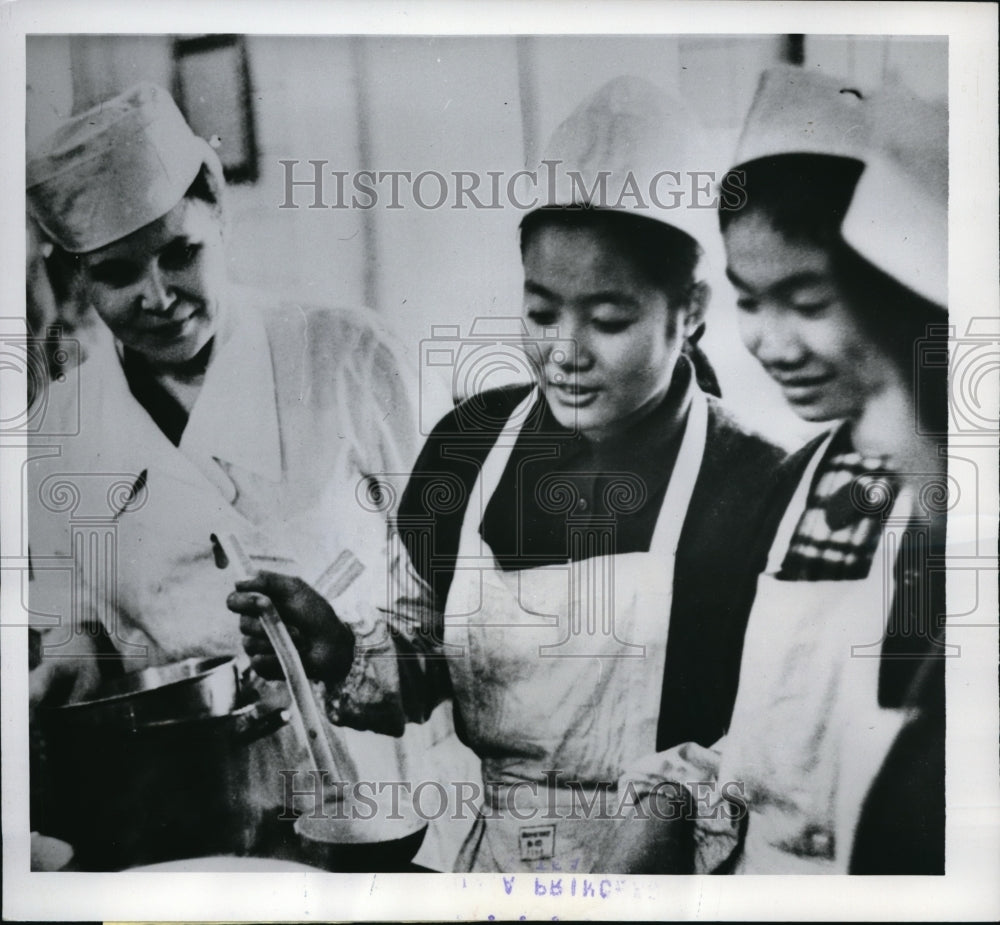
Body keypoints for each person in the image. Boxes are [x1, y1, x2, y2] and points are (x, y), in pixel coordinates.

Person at [229, 76, 797, 873]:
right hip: (494, 867)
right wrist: (334, 644)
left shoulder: (757, 484)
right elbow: (422, 664)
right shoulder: (468, 446)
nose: (565, 351)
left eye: (609, 319)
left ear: (692, 308)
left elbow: (785, 760)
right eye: (540, 311)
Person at [26, 82, 435, 868]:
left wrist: (353, 650)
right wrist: (49, 688)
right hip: (181, 815)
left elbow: (439, 594)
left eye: (181, 253)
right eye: (117, 273)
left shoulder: (346, 353)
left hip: (374, 785)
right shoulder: (57, 431)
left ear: (216, 204)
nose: (159, 297)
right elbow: (79, 642)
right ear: (76, 275)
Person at [646, 66, 948, 875]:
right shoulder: (802, 475)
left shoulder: (947, 508)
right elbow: (781, 738)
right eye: (749, 299)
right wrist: (701, 782)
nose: (773, 344)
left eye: (809, 300)